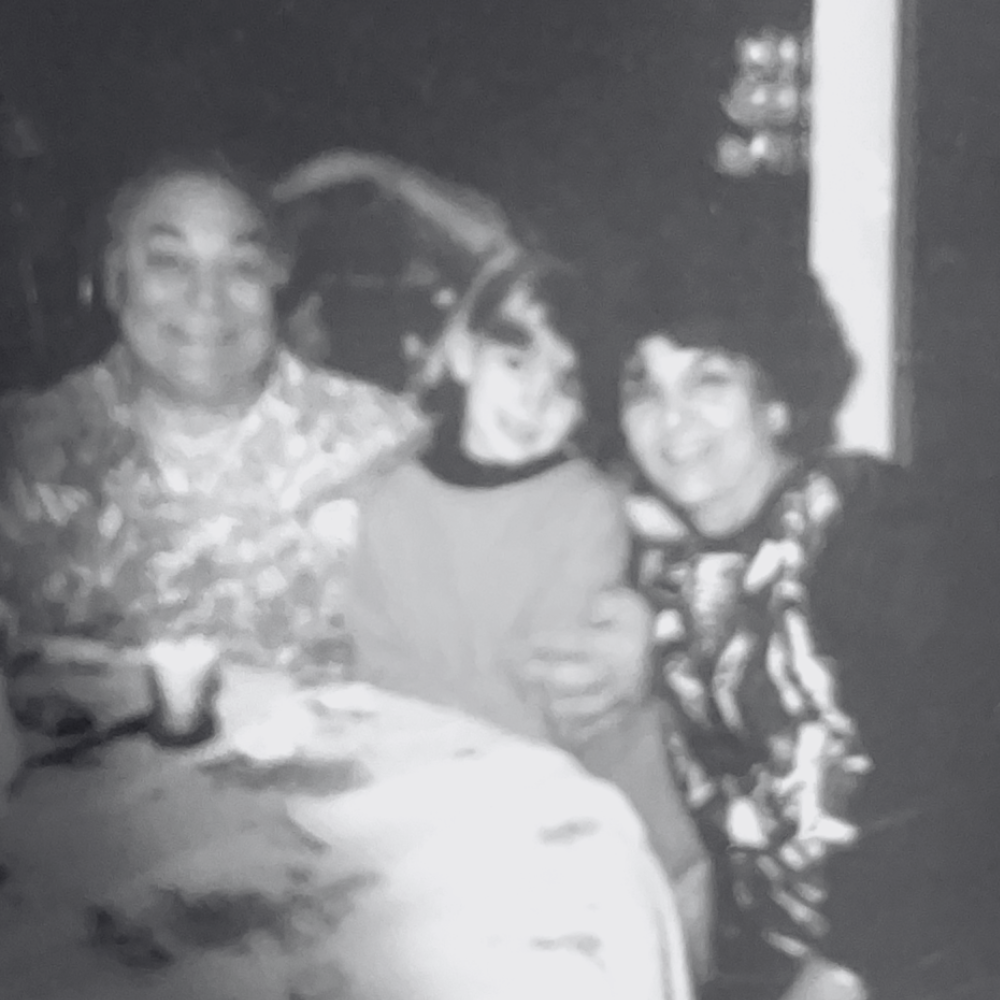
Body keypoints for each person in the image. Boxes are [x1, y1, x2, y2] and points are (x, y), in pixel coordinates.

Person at [539, 247, 1000, 999]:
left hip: (927, 957)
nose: (673, 418)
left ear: (777, 402)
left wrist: (846, 971)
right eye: (643, 387)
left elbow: (951, 779)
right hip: (768, 961)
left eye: (708, 380)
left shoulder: (871, 524)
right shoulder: (668, 569)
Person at [344, 250, 713, 981]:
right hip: (433, 791)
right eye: (515, 363)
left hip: (592, 793)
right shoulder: (389, 501)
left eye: (565, 384)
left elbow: (549, 692)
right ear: (462, 354)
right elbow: (375, 665)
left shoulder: (586, 507)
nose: (534, 400)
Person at [0, 152, 424, 712]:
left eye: (242, 266)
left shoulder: (384, 446)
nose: (207, 297)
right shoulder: (24, 453)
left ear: (277, 281)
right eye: (169, 262)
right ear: (114, 279)